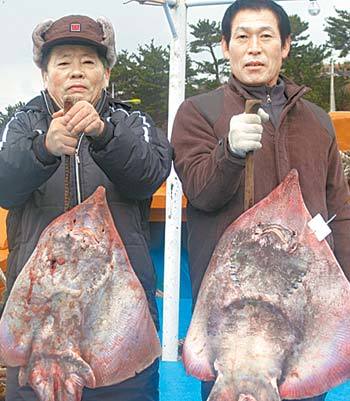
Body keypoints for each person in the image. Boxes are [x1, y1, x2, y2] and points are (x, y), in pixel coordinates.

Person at [171, 1, 350, 401]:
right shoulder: (198, 112)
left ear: (285, 45)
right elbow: (200, 191)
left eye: (265, 36)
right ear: (225, 45)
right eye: (242, 37)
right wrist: (229, 151)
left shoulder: (318, 121)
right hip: (231, 317)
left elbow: (340, 211)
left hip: (305, 310)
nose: (254, 48)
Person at [0, 14, 172, 401]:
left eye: (89, 61)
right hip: (39, 321)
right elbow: (3, 189)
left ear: (106, 73)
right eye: (63, 62)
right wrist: (41, 149)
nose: (76, 71)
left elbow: (149, 173)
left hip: (120, 317)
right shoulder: (22, 124)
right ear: (45, 75)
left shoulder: (131, 120)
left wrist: (103, 134)